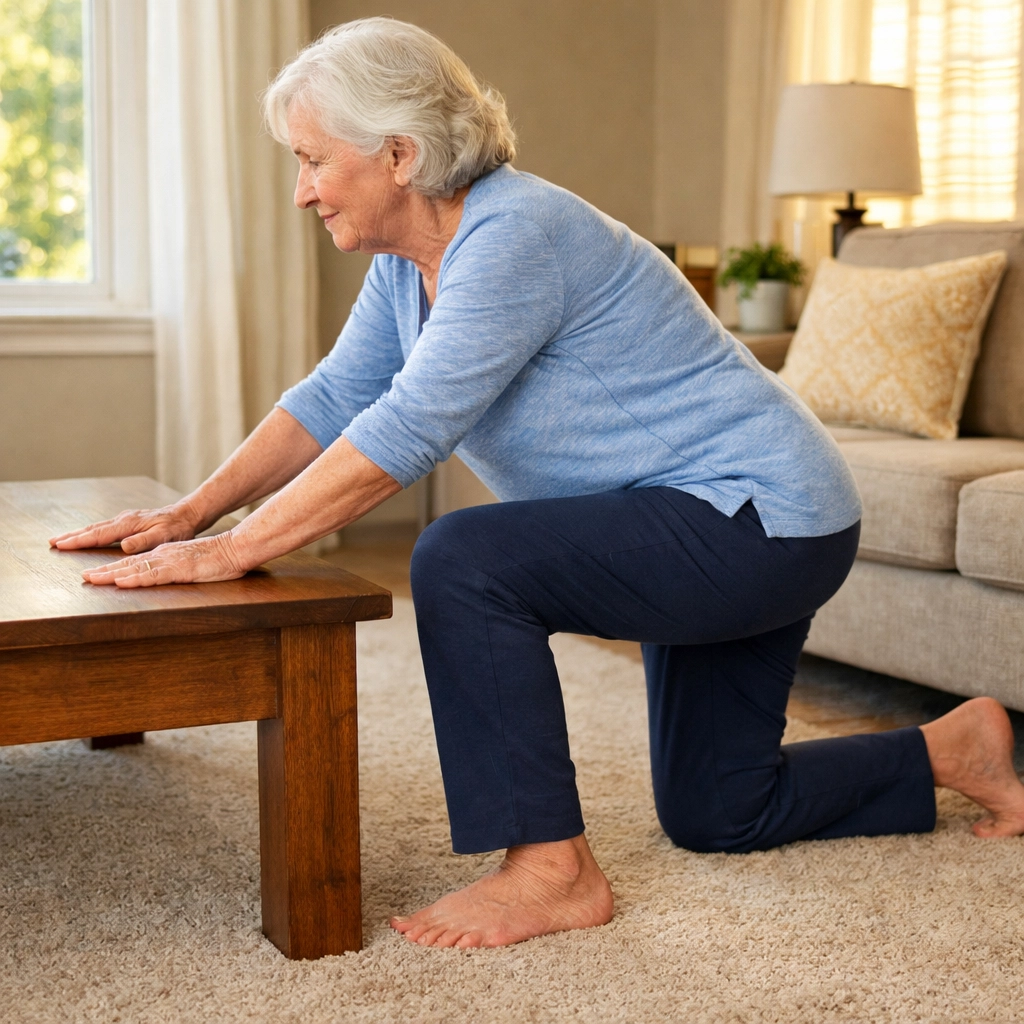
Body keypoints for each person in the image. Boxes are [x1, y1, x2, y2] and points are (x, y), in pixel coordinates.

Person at [51, 17, 1024, 950]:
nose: (303, 190)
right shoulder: (408, 261)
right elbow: (335, 394)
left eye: (312, 160)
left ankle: (553, 867)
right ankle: (951, 750)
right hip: (727, 515)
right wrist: (188, 513)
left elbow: (409, 425)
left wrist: (237, 547)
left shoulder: (513, 234)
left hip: (757, 517)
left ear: (397, 155)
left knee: (466, 558)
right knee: (721, 806)